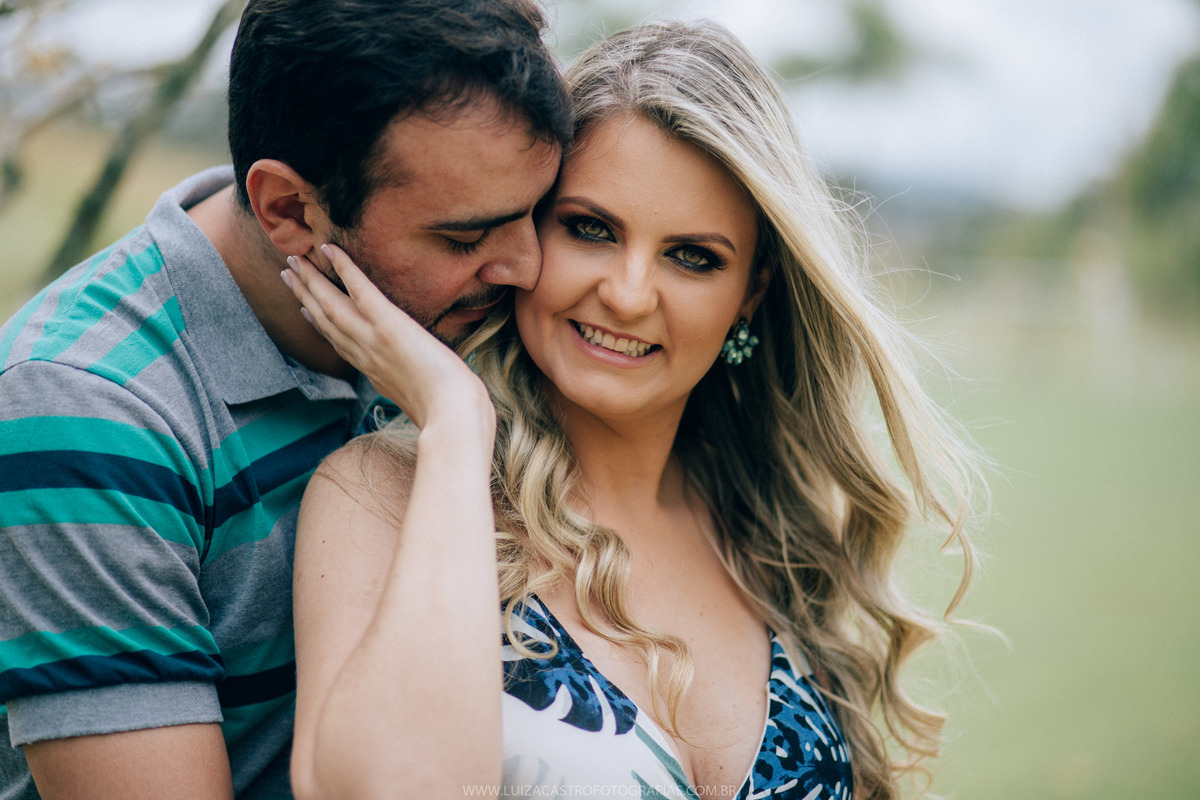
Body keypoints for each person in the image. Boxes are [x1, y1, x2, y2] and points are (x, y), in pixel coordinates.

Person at [283, 18, 982, 800]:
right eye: (590, 230)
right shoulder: (382, 496)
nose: (626, 294)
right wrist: (453, 422)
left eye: (692, 257)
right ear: (525, 232)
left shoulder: (772, 535)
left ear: (751, 292)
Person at [0, 0, 570, 796]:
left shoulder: (471, 316)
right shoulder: (88, 411)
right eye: (465, 237)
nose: (529, 268)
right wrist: (455, 420)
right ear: (289, 210)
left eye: (541, 212)